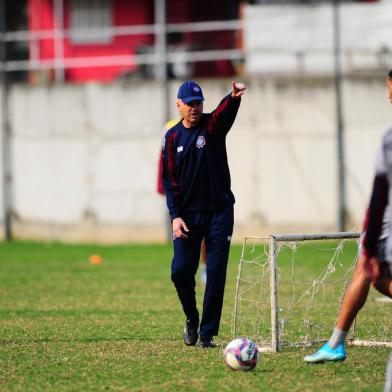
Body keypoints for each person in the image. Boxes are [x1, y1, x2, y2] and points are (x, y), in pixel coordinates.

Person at [304, 70, 392, 364]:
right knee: (374, 276)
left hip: (387, 220)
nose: (388, 95)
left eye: (390, 88)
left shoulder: (389, 140)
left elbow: (380, 192)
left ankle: (335, 344)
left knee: (369, 272)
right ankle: (335, 343)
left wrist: (369, 244)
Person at [161, 80, 246, 348]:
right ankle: (191, 317)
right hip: (187, 216)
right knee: (180, 271)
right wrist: (175, 216)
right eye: (189, 103)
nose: (194, 108)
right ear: (179, 105)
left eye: (198, 103)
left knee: (216, 271)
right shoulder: (172, 138)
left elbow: (224, 111)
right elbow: (170, 182)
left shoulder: (212, 126)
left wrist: (233, 97)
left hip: (219, 212)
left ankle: (207, 334)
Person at [157, 119, 207, 285]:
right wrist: (163, 187)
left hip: (200, 196)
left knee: (205, 235)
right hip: (180, 197)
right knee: (182, 230)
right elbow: (164, 165)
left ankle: (205, 266)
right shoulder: (169, 134)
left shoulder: (200, 132)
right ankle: (184, 264)